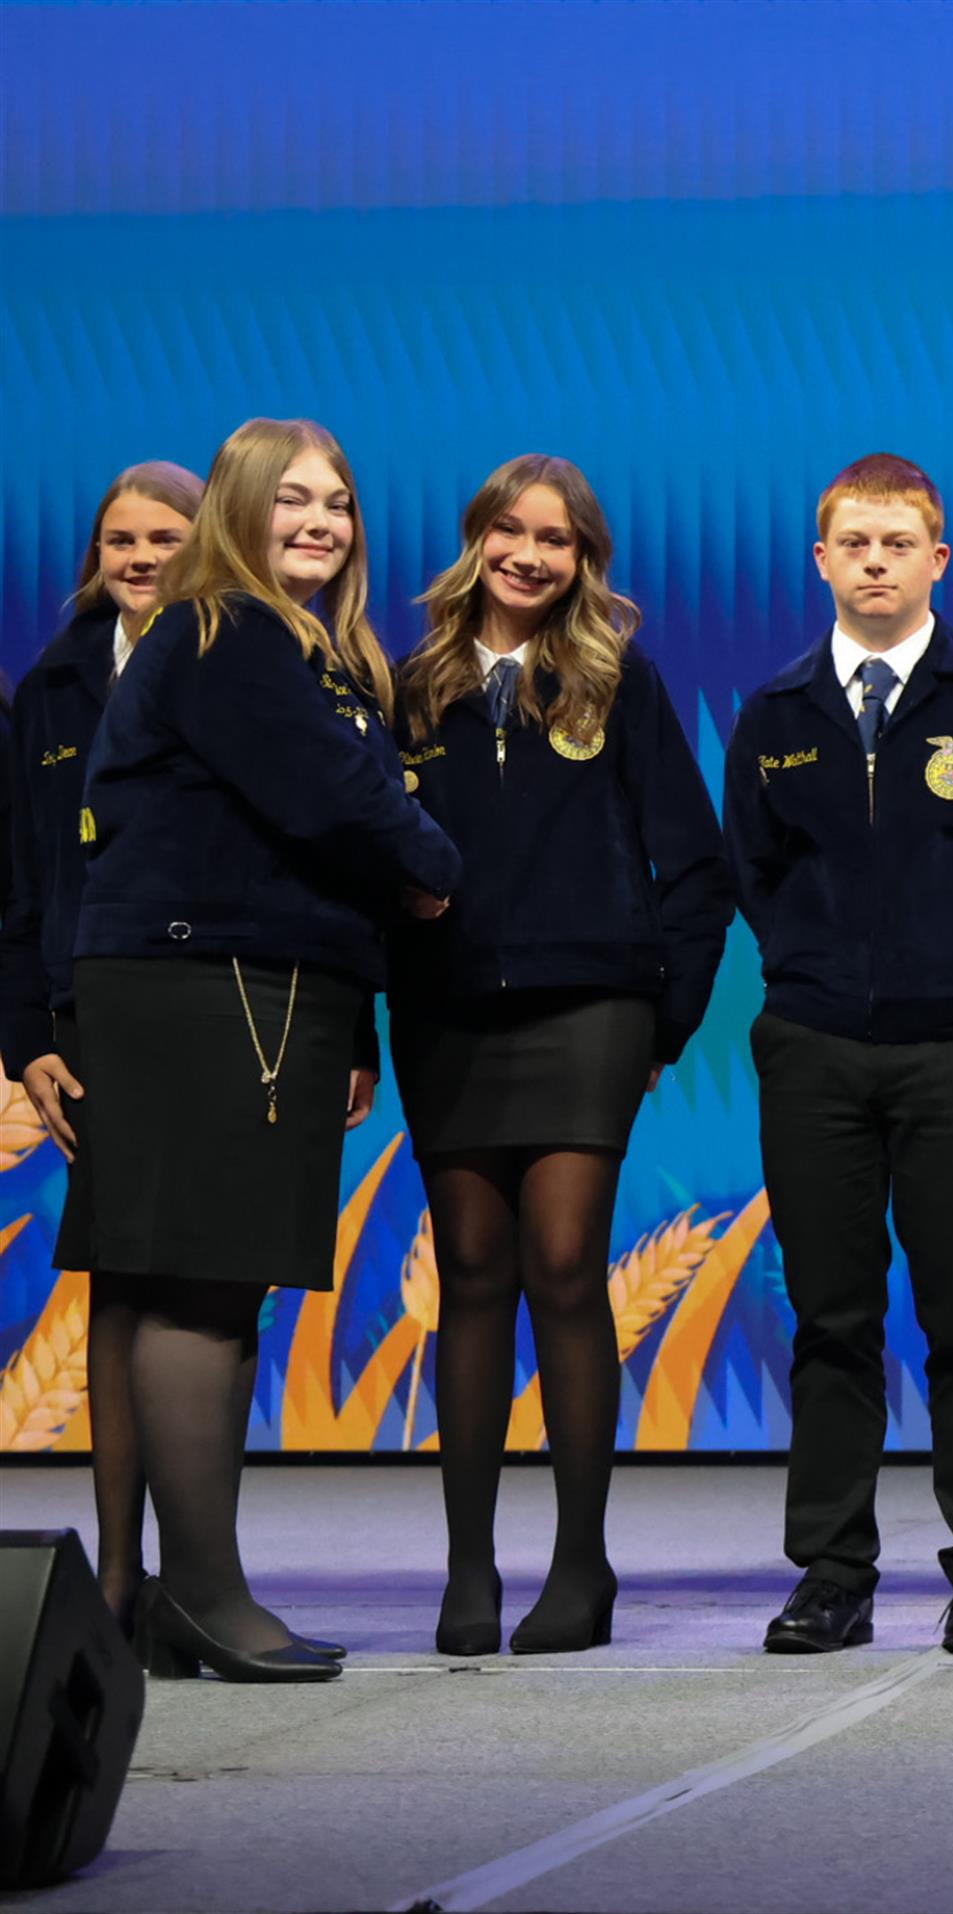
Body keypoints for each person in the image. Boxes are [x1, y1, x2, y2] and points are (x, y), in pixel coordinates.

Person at [73, 418, 460, 1681]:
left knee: (205, 1284)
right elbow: (335, 798)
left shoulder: (302, 649)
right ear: (238, 507)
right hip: (206, 981)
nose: (321, 522)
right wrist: (433, 866)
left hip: (244, 980)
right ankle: (201, 1594)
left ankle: (191, 1593)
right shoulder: (228, 631)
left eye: (337, 503)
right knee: (199, 1283)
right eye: (292, 498)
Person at [723, 453, 953, 1656]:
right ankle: (832, 1574)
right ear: (820, 560)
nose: (874, 563)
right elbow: (754, 873)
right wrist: (814, 976)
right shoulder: (776, 715)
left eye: (897, 544)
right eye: (854, 544)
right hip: (815, 1052)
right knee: (830, 1320)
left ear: (938, 560)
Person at [392, 454, 734, 1657]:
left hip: (590, 1013)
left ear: (585, 559)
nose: (530, 556)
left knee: (564, 1264)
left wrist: (662, 1020)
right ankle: (469, 1569)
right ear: (476, 538)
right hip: (446, 1017)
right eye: (511, 531)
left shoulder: (615, 681)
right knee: (470, 1275)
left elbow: (696, 867)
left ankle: (581, 1567)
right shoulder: (408, 689)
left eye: (557, 539)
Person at [1, 461, 203, 1635]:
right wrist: (26, 1036)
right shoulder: (52, 687)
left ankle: (200, 1574)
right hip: (93, 1023)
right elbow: (20, 882)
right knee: (122, 1287)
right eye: (120, 540)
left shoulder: (242, 669)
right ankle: (120, 1580)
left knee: (202, 1292)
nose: (139, 558)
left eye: (164, 539)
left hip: (214, 1004)